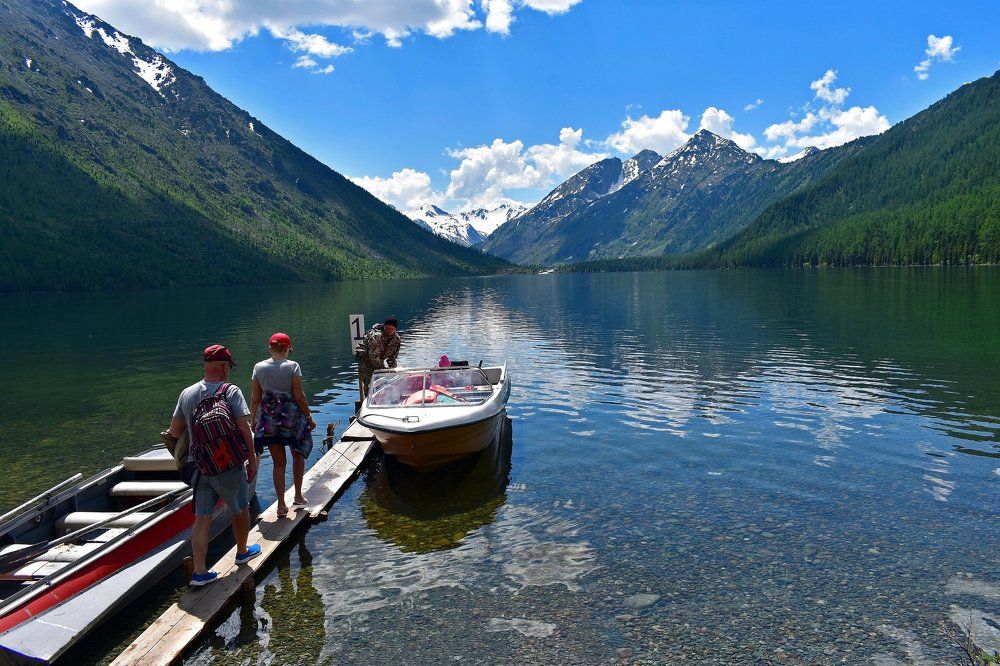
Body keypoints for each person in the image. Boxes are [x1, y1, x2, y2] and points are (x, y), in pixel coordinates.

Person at [168, 344, 260, 587]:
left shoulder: (186, 393)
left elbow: (174, 432)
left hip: (199, 467)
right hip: (226, 464)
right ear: (224, 366)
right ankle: (242, 552)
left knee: (202, 517)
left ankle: (199, 570)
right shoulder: (230, 391)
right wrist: (252, 458)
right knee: (240, 509)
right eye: (228, 366)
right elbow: (243, 428)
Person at [250, 332, 316, 518]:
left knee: (279, 464)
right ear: (288, 349)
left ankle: (280, 505)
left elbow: (255, 398)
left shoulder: (259, 367)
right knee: (298, 456)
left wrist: (253, 420)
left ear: (270, 348)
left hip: (269, 420)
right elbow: (299, 396)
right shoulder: (293, 366)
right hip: (291, 419)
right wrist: (309, 418)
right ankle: (298, 496)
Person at [356, 317, 402, 395]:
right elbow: (373, 356)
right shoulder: (376, 337)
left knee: (382, 383)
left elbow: (393, 357)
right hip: (366, 359)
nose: (389, 330)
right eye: (387, 328)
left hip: (378, 359)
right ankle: (368, 401)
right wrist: (383, 371)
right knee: (370, 383)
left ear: (395, 329)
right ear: (384, 327)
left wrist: (392, 370)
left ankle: (381, 401)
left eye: (392, 329)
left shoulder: (396, 339)